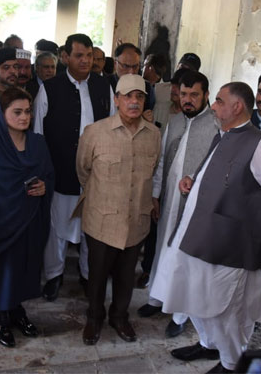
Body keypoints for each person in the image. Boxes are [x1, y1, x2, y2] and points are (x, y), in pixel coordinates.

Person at [150, 82, 261, 373]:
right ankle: (208, 345)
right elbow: (215, 170)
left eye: (219, 101)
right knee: (195, 298)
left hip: (230, 243)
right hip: (201, 237)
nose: (213, 106)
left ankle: (231, 363)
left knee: (224, 310)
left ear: (237, 107)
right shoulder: (225, 135)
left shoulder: (259, 143)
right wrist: (192, 178)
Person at [75, 74, 161, 345]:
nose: (134, 102)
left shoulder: (154, 134)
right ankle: (94, 317)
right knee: (97, 275)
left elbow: (154, 171)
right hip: (102, 220)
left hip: (136, 221)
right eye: (128, 96)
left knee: (126, 277)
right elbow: (83, 171)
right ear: (116, 100)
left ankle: (119, 316)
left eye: (140, 96)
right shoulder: (95, 132)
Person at [33, 33, 116, 302]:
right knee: (59, 227)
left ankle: (87, 276)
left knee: (92, 227)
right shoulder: (50, 88)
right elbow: (38, 133)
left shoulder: (104, 87)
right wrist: (43, 171)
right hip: (62, 169)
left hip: (96, 173)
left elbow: (114, 128)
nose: (85, 60)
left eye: (89, 56)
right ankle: (54, 275)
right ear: (65, 57)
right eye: (79, 55)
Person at [0, 87, 54, 348]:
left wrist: (43, 187)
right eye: (17, 112)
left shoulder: (38, 143)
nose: (24, 117)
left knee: (22, 273)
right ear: (1, 114)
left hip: (28, 224)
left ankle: (17, 312)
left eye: (27, 111)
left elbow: (49, 175)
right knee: (0, 275)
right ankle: (0, 319)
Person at [137, 71, 218, 340]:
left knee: (185, 259)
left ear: (206, 95)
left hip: (195, 206)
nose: (188, 100)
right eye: (184, 94)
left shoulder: (216, 126)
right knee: (162, 250)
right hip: (170, 199)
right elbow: (161, 163)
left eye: (194, 95)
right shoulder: (174, 121)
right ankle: (156, 299)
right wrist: (156, 196)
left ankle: (180, 315)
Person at [106, 43, 156, 117]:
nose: (131, 71)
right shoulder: (105, 84)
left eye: (135, 66)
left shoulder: (146, 87)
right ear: (115, 64)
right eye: (126, 66)